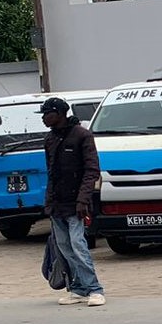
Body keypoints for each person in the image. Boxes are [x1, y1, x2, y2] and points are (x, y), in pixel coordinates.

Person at [39, 97, 106, 307]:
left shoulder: (82, 136)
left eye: (47, 113)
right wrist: (48, 202)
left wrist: (82, 200)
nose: (43, 118)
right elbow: (51, 173)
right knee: (64, 247)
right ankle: (78, 288)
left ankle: (95, 289)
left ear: (59, 113)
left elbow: (92, 171)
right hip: (57, 204)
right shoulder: (50, 139)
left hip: (77, 204)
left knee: (78, 245)